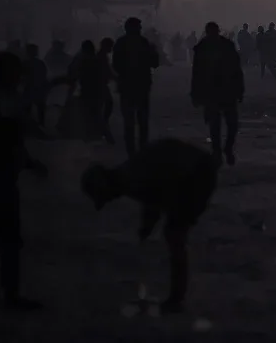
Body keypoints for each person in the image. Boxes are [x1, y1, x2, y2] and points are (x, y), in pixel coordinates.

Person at [81, 139, 217, 314]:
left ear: (103, 185)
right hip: (195, 170)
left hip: (196, 173)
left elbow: (155, 198)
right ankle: (177, 296)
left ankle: (176, 299)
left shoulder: (129, 179)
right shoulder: (128, 174)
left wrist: (147, 227)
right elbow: (153, 200)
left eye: (103, 196)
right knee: (174, 234)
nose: (108, 200)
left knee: (174, 236)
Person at [0, 51, 47, 310]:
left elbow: (13, 135)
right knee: (5, 236)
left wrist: (29, 161)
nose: (20, 75)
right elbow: (3, 133)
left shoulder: (3, 98)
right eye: (16, 71)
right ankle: (4, 293)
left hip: (3, 172)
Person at [191, 22, 244, 165]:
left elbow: (236, 69)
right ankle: (220, 150)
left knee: (227, 124)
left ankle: (224, 149)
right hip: (216, 91)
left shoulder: (223, 46)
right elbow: (197, 72)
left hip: (222, 90)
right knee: (221, 124)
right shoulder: (207, 47)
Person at [113, 17, 160, 158]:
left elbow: (116, 65)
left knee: (129, 121)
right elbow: (155, 63)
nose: (140, 29)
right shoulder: (144, 43)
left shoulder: (121, 43)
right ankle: (142, 149)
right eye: (138, 27)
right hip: (141, 86)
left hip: (127, 86)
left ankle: (131, 151)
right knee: (142, 120)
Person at [22, 44, 49, 127]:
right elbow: (44, 75)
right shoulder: (40, 63)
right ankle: (41, 125)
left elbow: (22, 76)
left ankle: (28, 126)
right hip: (39, 88)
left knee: (27, 109)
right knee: (40, 109)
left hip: (29, 88)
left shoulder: (25, 63)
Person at [97, 38, 116, 144]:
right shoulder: (101, 57)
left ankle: (103, 129)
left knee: (104, 107)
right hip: (100, 86)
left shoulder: (102, 56)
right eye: (110, 46)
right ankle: (104, 129)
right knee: (106, 106)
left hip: (100, 85)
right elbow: (107, 72)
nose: (111, 49)